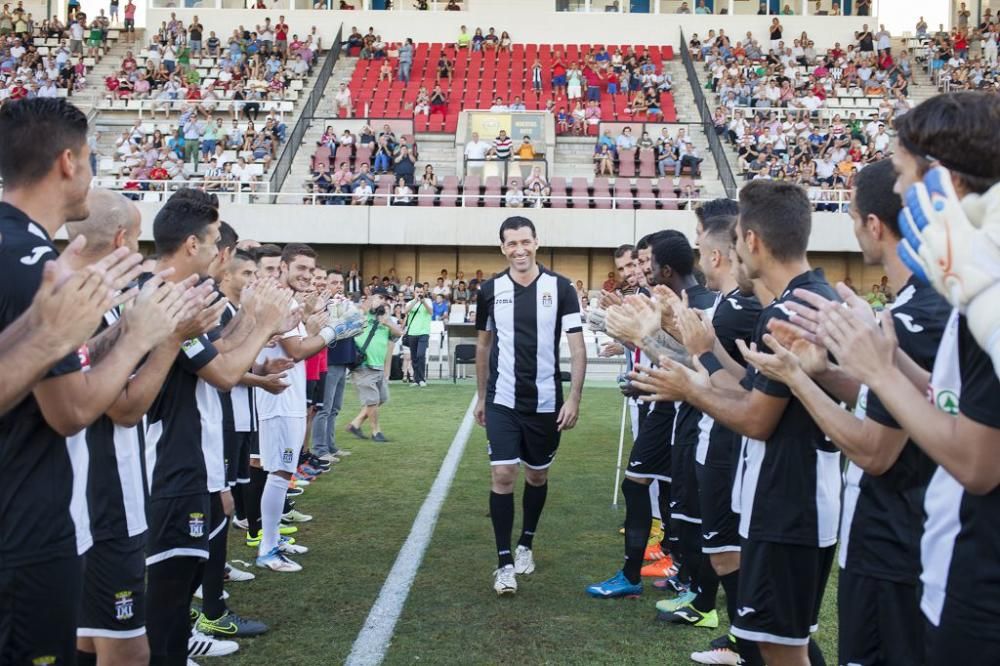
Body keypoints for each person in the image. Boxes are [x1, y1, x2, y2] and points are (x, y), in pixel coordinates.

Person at [627, 181, 840, 666]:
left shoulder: (789, 309)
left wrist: (689, 385)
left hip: (790, 499)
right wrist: (700, 355)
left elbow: (756, 417)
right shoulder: (806, 299)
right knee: (778, 642)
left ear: (752, 242)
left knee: (783, 649)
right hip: (795, 496)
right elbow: (753, 389)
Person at [0, 99, 181, 666]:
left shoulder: (21, 251)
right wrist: (139, 336)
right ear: (68, 162)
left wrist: (113, 329)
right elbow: (70, 411)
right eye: (91, 158)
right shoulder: (33, 262)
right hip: (29, 529)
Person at [141, 190, 292, 664]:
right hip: (169, 461)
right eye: (211, 243)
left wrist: (251, 319)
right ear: (191, 244)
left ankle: (179, 644)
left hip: (189, 456)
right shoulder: (164, 298)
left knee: (185, 569)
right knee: (167, 585)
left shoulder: (182, 296)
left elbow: (218, 357)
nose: (218, 253)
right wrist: (264, 324)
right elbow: (223, 375)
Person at [474, 216, 586, 596]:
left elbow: (576, 345)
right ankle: (504, 562)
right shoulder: (490, 290)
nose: (519, 250)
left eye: (525, 242)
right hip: (502, 400)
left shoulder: (562, 288)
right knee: (503, 475)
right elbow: (484, 345)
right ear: (502, 248)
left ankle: (526, 543)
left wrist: (574, 397)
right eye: (511, 243)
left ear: (536, 242)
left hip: (546, 402)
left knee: (536, 476)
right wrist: (480, 394)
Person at [253, 243, 334, 574]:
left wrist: (316, 327)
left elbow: (300, 342)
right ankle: (267, 548)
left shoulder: (290, 302)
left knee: (281, 471)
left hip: (289, 396)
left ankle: (272, 539)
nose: (307, 275)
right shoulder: (280, 301)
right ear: (283, 267)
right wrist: (333, 332)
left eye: (311, 270)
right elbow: (297, 351)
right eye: (300, 268)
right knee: (280, 472)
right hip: (278, 397)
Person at [346, 287, 403, 443]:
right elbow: (351, 317)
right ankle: (376, 432)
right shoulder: (362, 312)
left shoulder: (385, 318)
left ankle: (355, 424)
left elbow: (399, 332)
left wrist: (387, 322)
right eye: (381, 297)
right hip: (363, 364)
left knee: (381, 398)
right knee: (372, 401)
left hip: (377, 366)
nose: (384, 301)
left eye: (386, 299)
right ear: (371, 297)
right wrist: (367, 305)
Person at [403, 284, 432, 388]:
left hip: (424, 332)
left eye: (421, 292)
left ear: (424, 292)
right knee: (414, 357)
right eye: (417, 292)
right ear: (414, 292)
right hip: (412, 333)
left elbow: (431, 312)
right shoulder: (410, 302)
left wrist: (423, 302)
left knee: (420, 355)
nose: (419, 294)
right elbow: (405, 312)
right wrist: (415, 301)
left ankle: (422, 379)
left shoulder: (428, 301)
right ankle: (416, 379)